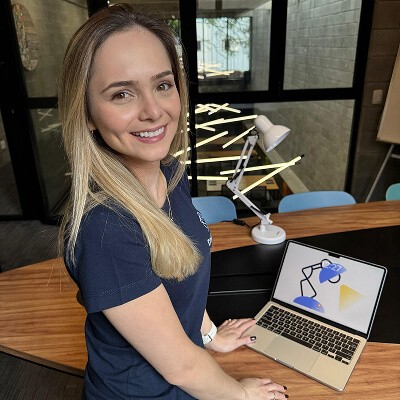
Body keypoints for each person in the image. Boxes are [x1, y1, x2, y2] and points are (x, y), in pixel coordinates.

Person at [58, 4, 288, 399]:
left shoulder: (170, 172)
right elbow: (181, 366)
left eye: (163, 85)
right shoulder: (105, 229)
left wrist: (210, 335)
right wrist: (244, 395)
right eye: (122, 94)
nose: (154, 111)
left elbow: (184, 276)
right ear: (88, 114)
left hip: (187, 372)